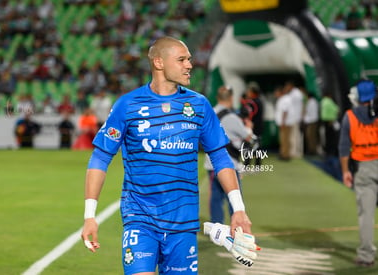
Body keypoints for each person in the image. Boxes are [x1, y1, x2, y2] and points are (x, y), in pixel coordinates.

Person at [81, 36, 253, 275]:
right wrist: (90, 216)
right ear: (159, 63)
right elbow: (100, 158)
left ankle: (210, 229)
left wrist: (238, 209)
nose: (189, 65)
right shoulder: (127, 105)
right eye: (181, 59)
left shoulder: (199, 105)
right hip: (139, 218)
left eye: (189, 60)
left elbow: (221, 157)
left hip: (183, 224)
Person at [339, 79, 378, 268]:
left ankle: (366, 256)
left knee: (366, 215)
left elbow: (344, 148)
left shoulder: (350, 116)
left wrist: (346, 171)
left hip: (364, 168)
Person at [204, 85, 254, 224]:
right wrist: (249, 127)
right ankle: (237, 227)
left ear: (217, 97)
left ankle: (216, 227)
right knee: (234, 198)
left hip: (211, 164)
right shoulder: (233, 117)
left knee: (215, 198)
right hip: (229, 164)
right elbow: (248, 136)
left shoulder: (209, 113)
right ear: (231, 98)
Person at [274, 85, 293, 160]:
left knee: (285, 139)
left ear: (279, 92)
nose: (275, 94)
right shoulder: (281, 99)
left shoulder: (285, 99)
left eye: (276, 92)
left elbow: (285, 111)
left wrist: (283, 122)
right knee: (283, 139)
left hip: (285, 123)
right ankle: (283, 153)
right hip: (283, 123)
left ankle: (285, 155)